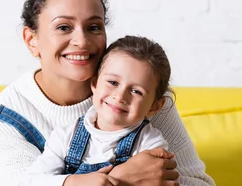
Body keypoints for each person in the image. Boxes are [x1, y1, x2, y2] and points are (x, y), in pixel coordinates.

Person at [0, 0, 216, 185]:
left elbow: (200, 183)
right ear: (31, 39)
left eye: (93, 27)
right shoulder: (10, 114)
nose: (82, 41)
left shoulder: (144, 97)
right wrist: (120, 178)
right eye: (63, 27)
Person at [27, 35, 175, 185]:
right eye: (113, 82)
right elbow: (33, 181)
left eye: (136, 91)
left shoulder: (150, 145)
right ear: (95, 83)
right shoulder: (65, 136)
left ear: (155, 106)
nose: (120, 96)